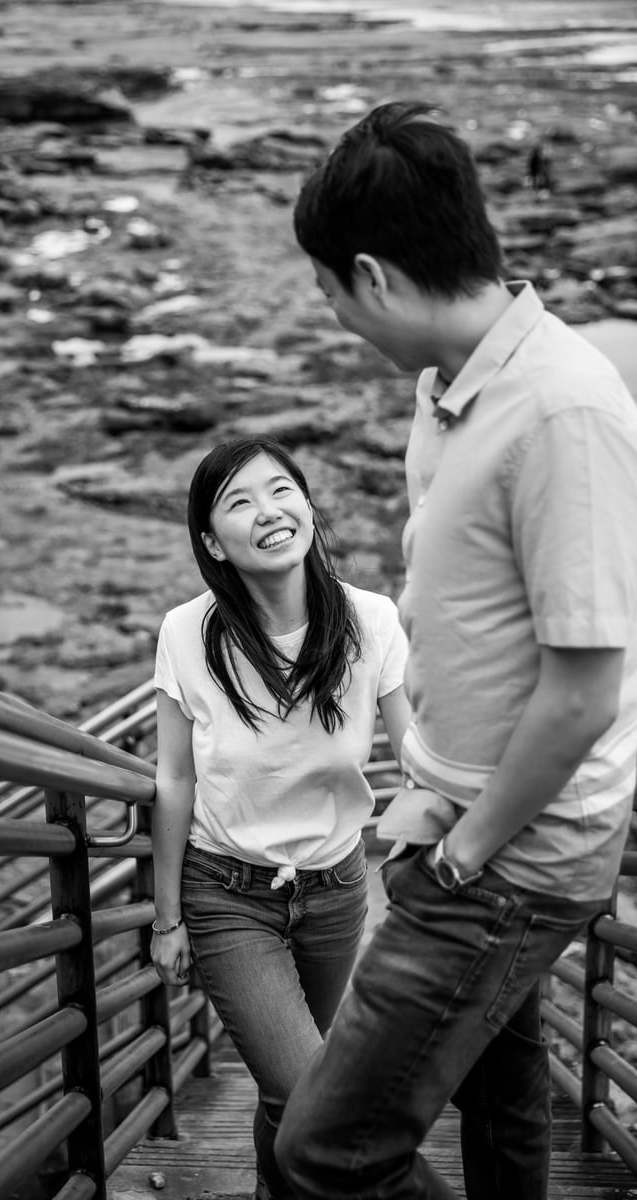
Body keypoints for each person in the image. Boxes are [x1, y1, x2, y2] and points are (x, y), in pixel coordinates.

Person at [275, 100, 637, 1200]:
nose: (338, 319)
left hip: (508, 856)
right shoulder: (450, 390)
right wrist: (428, 788)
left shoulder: (560, 413)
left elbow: (584, 691)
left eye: (330, 294)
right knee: (501, 1094)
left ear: (373, 276)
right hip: (460, 816)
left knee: (321, 1153)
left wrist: (464, 851)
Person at [150, 435, 410, 1200]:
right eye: (239, 501)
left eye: (281, 490)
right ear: (212, 542)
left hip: (336, 888)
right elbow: (173, 776)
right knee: (311, 1096)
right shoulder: (186, 633)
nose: (268, 511)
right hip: (226, 892)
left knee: (287, 1091)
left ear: (307, 506)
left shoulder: (371, 620)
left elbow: (418, 753)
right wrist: (166, 919)